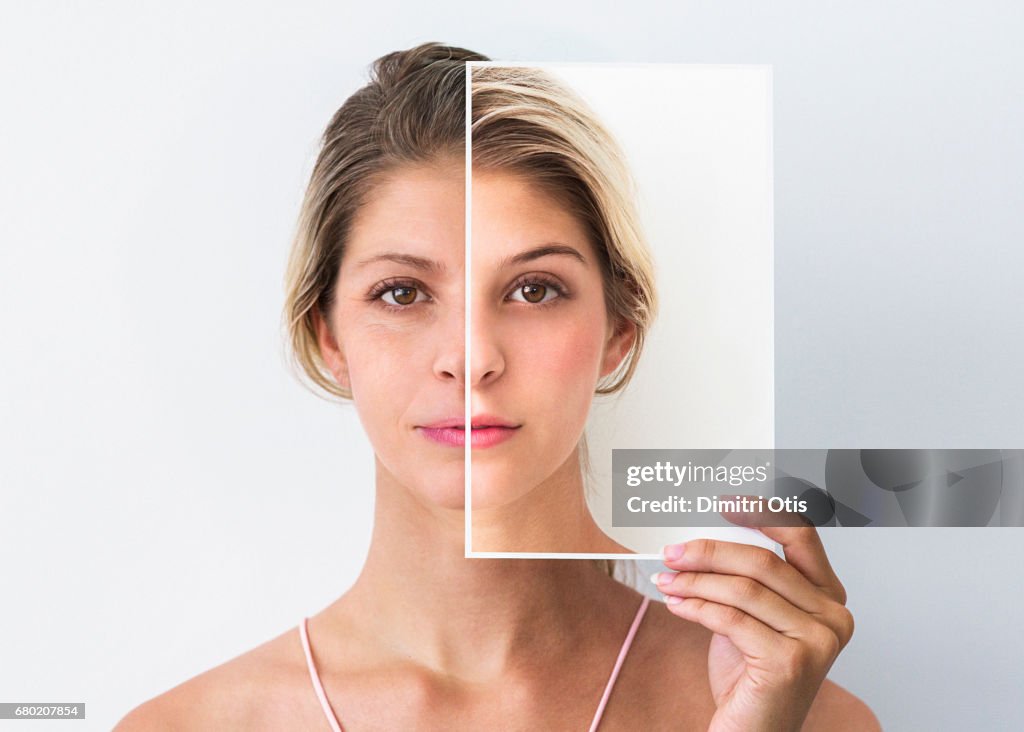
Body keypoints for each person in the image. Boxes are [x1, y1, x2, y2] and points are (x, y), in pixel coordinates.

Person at [116, 43, 879, 730]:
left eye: (534, 290)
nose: (472, 358)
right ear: (329, 336)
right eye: (402, 293)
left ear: (619, 330)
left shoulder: (796, 715)